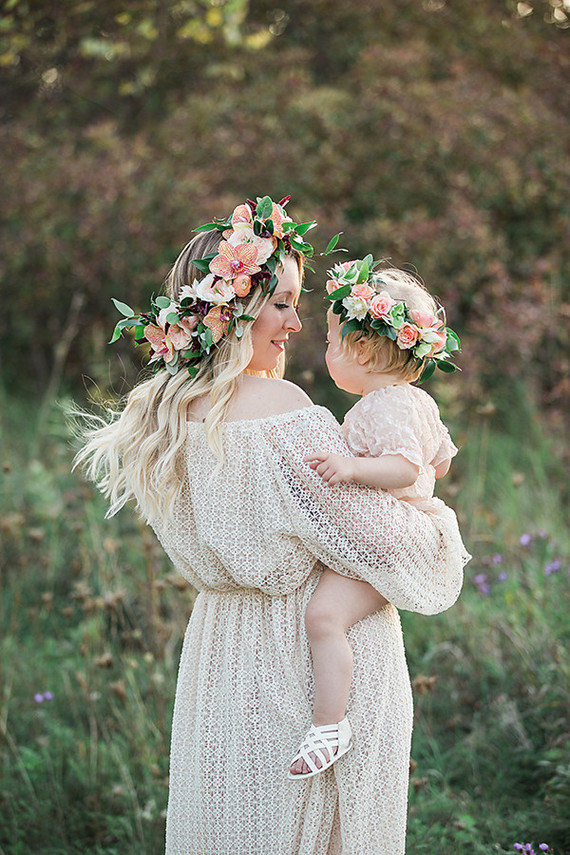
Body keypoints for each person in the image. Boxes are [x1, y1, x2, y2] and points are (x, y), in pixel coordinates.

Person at [75, 197, 468, 855]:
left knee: (232, 827)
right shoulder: (287, 414)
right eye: (282, 302)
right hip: (304, 665)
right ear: (234, 309)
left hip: (220, 654)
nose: (296, 321)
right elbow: (377, 541)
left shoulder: (166, 421)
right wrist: (435, 525)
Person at [288, 258, 471, 779]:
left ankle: (329, 724)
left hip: (391, 536)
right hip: (400, 530)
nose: (324, 352)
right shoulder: (413, 401)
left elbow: (406, 466)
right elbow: (441, 460)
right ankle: (330, 720)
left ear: (362, 349)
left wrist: (353, 466)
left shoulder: (384, 405)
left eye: (328, 342)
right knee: (327, 615)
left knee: (324, 618)